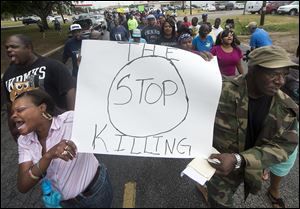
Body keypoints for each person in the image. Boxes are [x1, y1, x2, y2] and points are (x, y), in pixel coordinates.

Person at [201, 46, 299, 208]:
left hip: (252, 167)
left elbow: (284, 146)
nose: (281, 81)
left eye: (284, 74)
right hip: (218, 168)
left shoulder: (287, 108)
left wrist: (238, 159)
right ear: (252, 69)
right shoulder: (220, 89)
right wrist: (193, 64)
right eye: (274, 73)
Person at [11, 89, 113, 208]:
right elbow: (23, 185)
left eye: (20, 110)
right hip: (63, 203)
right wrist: (48, 156)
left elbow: (106, 116)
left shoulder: (71, 120)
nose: (13, 115)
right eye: (13, 112)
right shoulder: (24, 141)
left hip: (94, 195)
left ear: (42, 108)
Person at [3, 34, 76, 142]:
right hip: (30, 138)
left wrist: (73, 126)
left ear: (28, 47)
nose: (9, 50)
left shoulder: (52, 66)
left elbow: (70, 93)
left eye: (14, 46)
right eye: (7, 47)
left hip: (58, 131)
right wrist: (15, 132)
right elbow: (10, 106)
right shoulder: (8, 74)